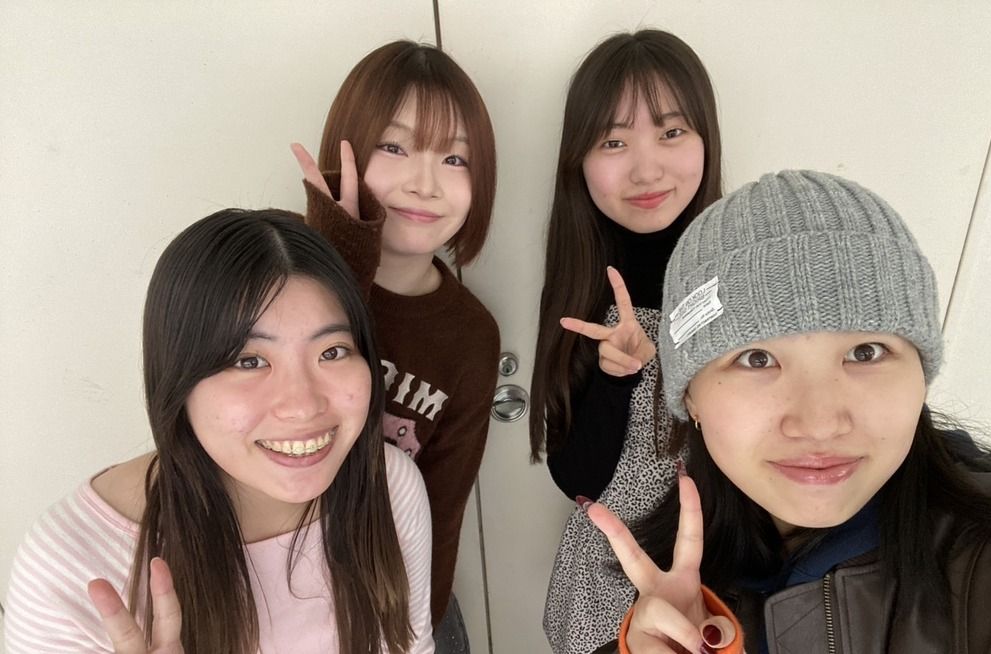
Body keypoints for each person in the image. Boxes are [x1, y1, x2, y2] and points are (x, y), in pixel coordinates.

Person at [586, 170, 991, 653]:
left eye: (865, 353)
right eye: (757, 359)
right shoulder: (683, 566)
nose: (819, 425)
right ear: (690, 397)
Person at [4, 209, 433, 654]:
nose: (304, 405)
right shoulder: (69, 567)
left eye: (332, 352)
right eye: (249, 361)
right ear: (178, 380)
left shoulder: (389, 484)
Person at [290, 39, 499, 650]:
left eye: (454, 159)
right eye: (395, 147)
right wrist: (341, 259)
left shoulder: (471, 335)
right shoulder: (278, 274)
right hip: (284, 598)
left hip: (398, 600)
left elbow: (443, 508)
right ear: (349, 151)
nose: (424, 184)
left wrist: (415, 628)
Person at [528, 29, 723, 653]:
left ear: (706, 139)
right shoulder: (582, 280)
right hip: (608, 579)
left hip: (724, 571)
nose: (646, 169)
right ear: (579, 159)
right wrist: (618, 378)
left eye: (672, 131)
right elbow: (575, 478)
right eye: (613, 141)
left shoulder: (742, 274)